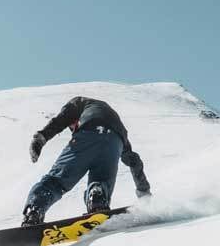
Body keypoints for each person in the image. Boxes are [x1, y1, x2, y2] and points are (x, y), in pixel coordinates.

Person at [22, 96, 151, 226]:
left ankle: (34, 210)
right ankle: (97, 199)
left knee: (57, 181)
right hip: (115, 142)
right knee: (101, 180)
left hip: (88, 133)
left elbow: (60, 120)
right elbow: (134, 161)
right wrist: (144, 193)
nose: (73, 129)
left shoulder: (80, 102)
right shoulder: (119, 129)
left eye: (72, 128)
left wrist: (40, 138)